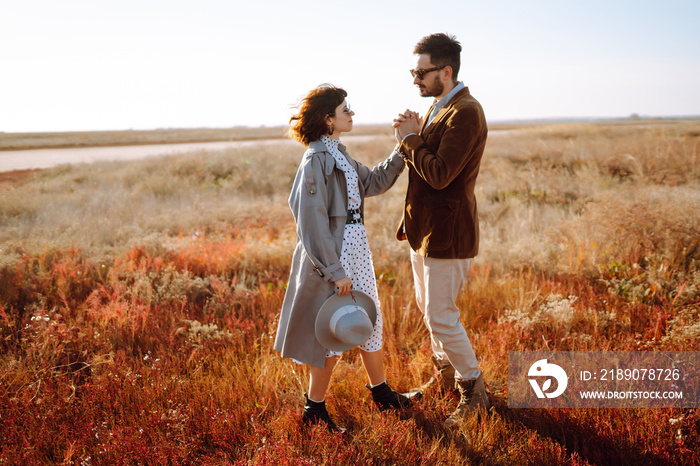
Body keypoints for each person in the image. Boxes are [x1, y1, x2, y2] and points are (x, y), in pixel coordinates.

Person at [274, 84, 421, 433]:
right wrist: (335, 270)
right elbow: (311, 222)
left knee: (368, 319)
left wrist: (404, 145)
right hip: (333, 259)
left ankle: (381, 392)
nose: (351, 113)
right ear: (328, 120)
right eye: (345, 110)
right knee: (332, 330)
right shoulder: (315, 161)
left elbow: (376, 181)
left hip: (357, 250)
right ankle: (315, 411)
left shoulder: (339, 154)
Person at [392, 33, 490, 428]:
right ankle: (446, 378)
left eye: (421, 72)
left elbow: (439, 174)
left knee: (442, 316)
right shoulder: (439, 105)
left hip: (449, 234)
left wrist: (409, 139)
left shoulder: (466, 111)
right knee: (430, 312)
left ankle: (474, 392)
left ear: (445, 72)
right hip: (425, 231)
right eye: (413, 72)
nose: (415, 79)